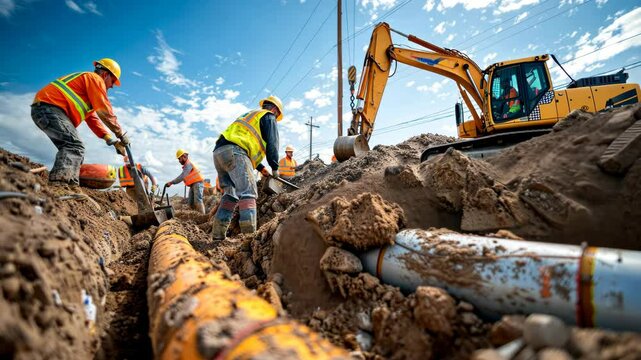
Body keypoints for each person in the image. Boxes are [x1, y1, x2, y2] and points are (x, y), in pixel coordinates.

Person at [31, 58, 130, 185]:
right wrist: (121, 134)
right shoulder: (95, 79)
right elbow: (105, 111)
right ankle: (60, 183)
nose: (112, 86)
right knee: (74, 146)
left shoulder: (87, 88)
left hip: (45, 109)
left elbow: (93, 119)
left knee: (75, 149)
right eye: (113, 81)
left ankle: (71, 184)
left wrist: (111, 140)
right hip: (49, 108)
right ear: (105, 75)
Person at [211, 95, 283, 240]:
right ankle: (248, 240)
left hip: (219, 152)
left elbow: (245, 144)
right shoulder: (269, 116)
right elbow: (272, 143)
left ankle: (217, 236)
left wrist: (261, 167)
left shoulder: (250, 115)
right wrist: (275, 167)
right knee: (248, 193)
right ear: (275, 110)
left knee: (230, 195)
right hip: (236, 152)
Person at [166, 149, 205, 214]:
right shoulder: (186, 166)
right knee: (190, 203)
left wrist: (171, 182)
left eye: (179, 159)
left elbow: (182, 176)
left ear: (184, 156)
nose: (179, 161)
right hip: (193, 185)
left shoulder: (188, 164)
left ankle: (203, 216)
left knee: (198, 201)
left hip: (198, 183)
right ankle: (194, 217)